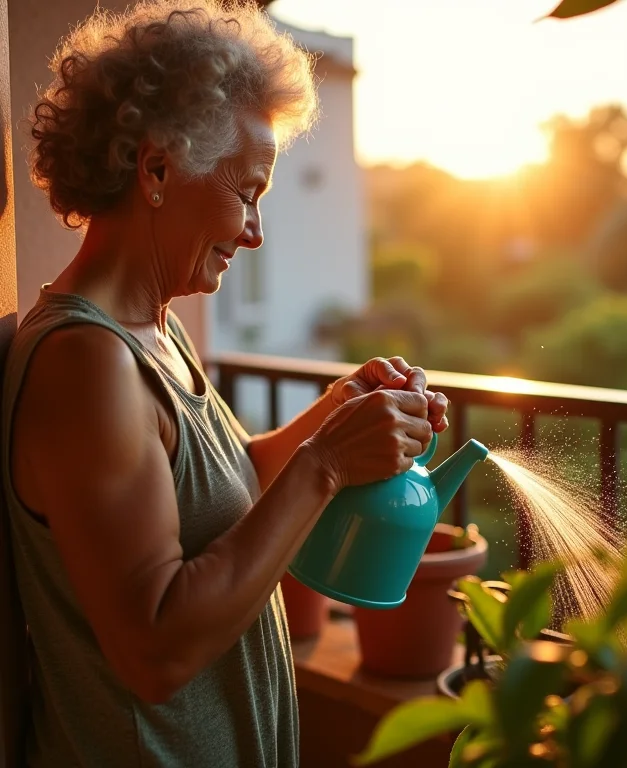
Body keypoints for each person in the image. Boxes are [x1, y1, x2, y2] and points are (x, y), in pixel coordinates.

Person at [0, 2, 449, 766]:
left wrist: (336, 413)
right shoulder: (86, 363)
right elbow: (155, 651)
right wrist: (326, 464)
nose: (255, 230)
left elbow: (227, 483)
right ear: (156, 170)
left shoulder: (154, 328)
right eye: (247, 191)